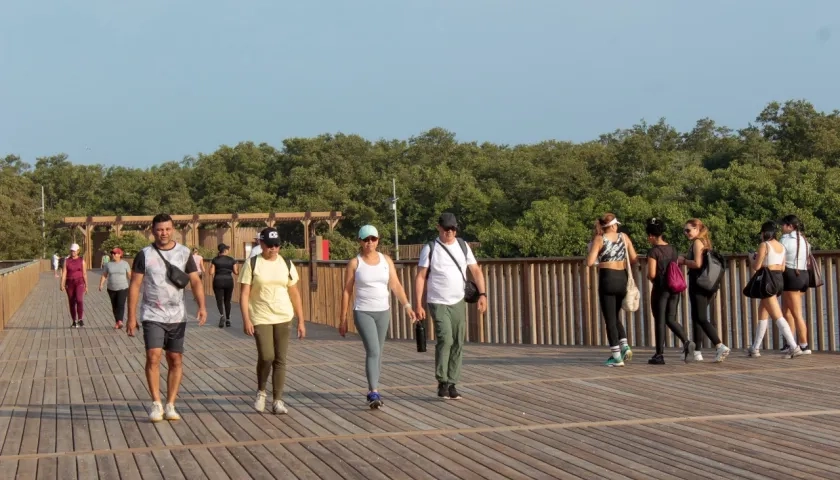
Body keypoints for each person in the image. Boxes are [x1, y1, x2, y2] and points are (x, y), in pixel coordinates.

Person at [127, 214, 207, 423]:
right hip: (152, 313)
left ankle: (170, 403)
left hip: (177, 314)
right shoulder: (144, 254)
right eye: (160, 229)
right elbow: (135, 285)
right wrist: (131, 317)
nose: (164, 233)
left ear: (173, 230)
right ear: (152, 231)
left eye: (168, 229)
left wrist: (202, 306)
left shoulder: (184, 253)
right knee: (153, 356)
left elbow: (196, 281)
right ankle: (156, 403)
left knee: (175, 359)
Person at [340, 225, 416, 408]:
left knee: (378, 352)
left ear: (378, 240)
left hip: (383, 311)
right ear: (359, 241)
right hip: (363, 311)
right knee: (373, 350)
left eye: (373, 239)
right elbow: (347, 291)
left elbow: (395, 285)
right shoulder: (355, 263)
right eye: (366, 239)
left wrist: (407, 305)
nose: (369, 243)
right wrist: (342, 319)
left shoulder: (386, 260)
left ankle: (373, 388)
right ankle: (373, 391)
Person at [415, 213, 487, 400]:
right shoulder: (430, 248)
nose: (450, 232)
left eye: (453, 228)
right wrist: (418, 304)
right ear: (438, 227)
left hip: (458, 300)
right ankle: (442, 381)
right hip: (437, 301)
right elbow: (421, 276)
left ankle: (453, 382)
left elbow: (476, 271)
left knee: (457, 341)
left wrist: (482, 295)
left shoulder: (463, 246)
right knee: (445, 338)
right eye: (446, 228)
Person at [240, 227, 306, 414]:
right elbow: (244, 294)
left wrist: (301, 320)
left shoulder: (286, 263)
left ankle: (278, 400)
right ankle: (261, 390)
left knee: (280, 359)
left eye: (277, 245)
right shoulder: (252, 264)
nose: (273, 249)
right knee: (267, 355)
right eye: (269, 245)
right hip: (260, 316)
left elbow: (294, 293)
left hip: (284, 315)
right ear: (261, 244)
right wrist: (246, 319)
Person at [586, 213, 638, 367]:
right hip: (622, 279)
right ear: (614, 225)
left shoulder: (599, 239)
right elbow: (634, 259)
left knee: (609, 319)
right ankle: (625, 345)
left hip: (607, 279)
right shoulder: (624, 236)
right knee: (615, 316)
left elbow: (589, 262)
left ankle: (616, 356)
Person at [678, 219, 731, 362]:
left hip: (698, 283)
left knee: (701, 318)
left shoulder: (697, 242)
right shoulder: (706, 241)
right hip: (708, 284)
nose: (686, 233)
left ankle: (719, 345)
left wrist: (683, 261)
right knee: (696, 317)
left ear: (697, 229)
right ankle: (697, 352)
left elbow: (697, 263)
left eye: (688, 230)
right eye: (684, 230)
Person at [748, 222, 803, 359]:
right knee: (763, 312)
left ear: (765, 233)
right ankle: (755, 348)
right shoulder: (781, 246)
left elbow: (757, 266)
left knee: (777, 315)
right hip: (778, 280)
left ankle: (794, 346)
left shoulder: (764, 245)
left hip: (767, 280)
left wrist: (751, 258)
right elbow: (783, 267)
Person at [644, 218, 694, 364]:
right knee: (670, 318)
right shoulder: (673, 249)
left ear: (652, 236)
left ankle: (659, 355)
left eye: (649, 236)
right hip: (674, 288)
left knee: (660, 320)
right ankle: (686, 341)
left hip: (661, 289)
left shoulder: (653, 251)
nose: (648, 239)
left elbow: (652, 274)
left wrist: (649, 276)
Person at [779, 215, 812, 355]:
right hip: (804, 276)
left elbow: (779, 255)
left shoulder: (785, 240)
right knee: (787, 311)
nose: (781, 227)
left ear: (790, 226)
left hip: (791, 276)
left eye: (783, 225)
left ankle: (804, 346)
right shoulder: (805, 240)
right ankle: (789, 343)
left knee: (796, 313)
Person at [99, 247, 131, 329]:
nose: (113, 255)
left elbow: (129, 275)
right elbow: (104, 275)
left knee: (121, 304)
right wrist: (101, 284)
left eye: (115, 253)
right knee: (114, 305)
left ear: (120, 254)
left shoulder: (125, 264)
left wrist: (134, 284)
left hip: (123, 287)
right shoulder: (108, 264)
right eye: (112, 253)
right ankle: (117, 321)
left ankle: (120, 320)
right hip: (111, 288)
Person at [210, 243, 239, 328]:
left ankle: (222, 315)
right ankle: (228, 320)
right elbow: (236, 272)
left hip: (218, 281)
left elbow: (210, 272)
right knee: (227, 300)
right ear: (225, 251)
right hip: (228, 281)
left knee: (219, 300)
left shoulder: (215, 259)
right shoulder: (231, 259)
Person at [60, 243, 88, 328]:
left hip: (79, 282)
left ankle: (80, 319)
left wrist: (86, 285)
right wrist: (62, 284)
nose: (73, 252)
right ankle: (74, 321)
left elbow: (84, 273)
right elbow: (64, 273)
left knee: (79, 300)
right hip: (70, 282)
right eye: (72, 251)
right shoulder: (67, 261)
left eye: (75, 251)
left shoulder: (81, 261)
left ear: (78, 251)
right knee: (71, 301)